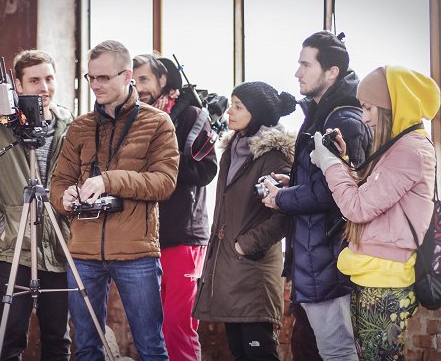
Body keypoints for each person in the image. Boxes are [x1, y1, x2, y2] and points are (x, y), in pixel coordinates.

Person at [50, 40, 179, 361]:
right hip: (82, 252)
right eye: (90, 78)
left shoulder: (158, 122)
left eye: (103, 78)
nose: (95, 85)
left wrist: (109, 180)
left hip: (137, 252)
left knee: (150, 346)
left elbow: (165, 183)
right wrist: (63, 197)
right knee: (86, 347)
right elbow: (58, 183)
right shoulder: (79, 127)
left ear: (127, 76)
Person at [310, 66, 439, 360]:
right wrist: (342, 159)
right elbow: (369, 197)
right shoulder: (399, 147)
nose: (364, 117)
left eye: (368, 108)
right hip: (376, 276)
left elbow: (357, 207)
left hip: (385, 280)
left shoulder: (410, 150)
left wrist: (330, 164)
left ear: (392, 107)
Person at [0, 50, 73, 360]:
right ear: (17, 86)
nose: (44, 88)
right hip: (14, 248)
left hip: (60, 247)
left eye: (49, 79)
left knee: (58, 340)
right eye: (34, 81)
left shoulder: (68, 123)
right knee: (11, 339)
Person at [261, 30, 371, 361]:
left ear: (331, 71)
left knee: (337, 352)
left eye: (305, 65)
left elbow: (335, 191)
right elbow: (320, 177)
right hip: (314, 257)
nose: (297, 73)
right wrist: (291, 182)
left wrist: (280, 198)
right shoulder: (322, 114)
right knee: (311, 349)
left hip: (330, 258)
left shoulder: (343, 119)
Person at [192, 81, 295, 361]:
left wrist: (245, 245)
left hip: (253, 268)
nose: (230, 113)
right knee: (239, 351)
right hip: (230, 268)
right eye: (231, 105)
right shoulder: (233, 150)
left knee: (259, 352)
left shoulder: (274, 155)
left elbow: (286, 213)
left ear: (257, 112)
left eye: (238, 107)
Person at [132, 54, 217, 361]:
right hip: (146, 238)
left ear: (162, 80)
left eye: (144, 79)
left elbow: (207, 170)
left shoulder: (191, 114)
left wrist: (165, 165)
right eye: (134, 80)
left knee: (178, 326)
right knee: (151, 329)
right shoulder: (137, 119)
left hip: (184, 236)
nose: (138, 87)